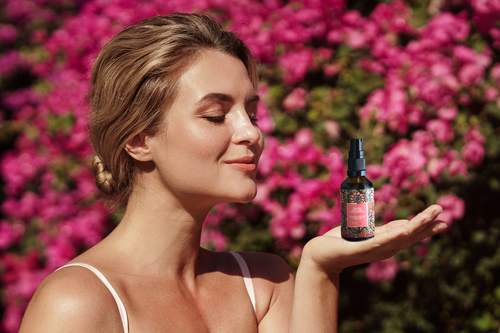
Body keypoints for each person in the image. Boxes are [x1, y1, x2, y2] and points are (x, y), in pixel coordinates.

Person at [19, 13, 447, 332]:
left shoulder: (264, 283)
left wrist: (321, 270)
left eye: (252, 113)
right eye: (215, 114)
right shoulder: (78, 304)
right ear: (138, 140)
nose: (252, 134)